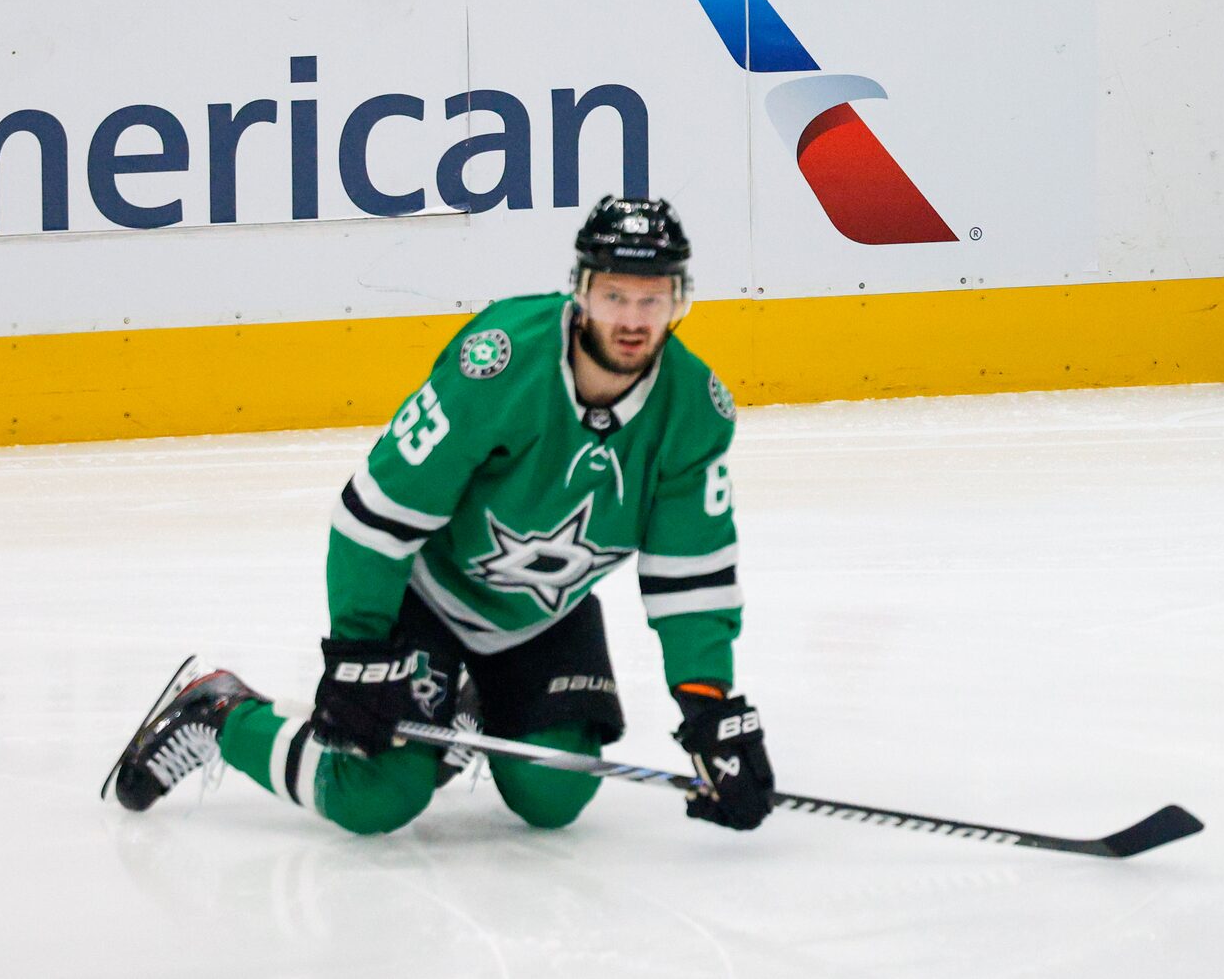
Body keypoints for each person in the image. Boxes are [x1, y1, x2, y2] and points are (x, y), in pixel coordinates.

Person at [105, 195, 777, 843]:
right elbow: (375, 515)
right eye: (615, 296)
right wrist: (358, 653)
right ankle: (221, 712)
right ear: (581, 292)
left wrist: (708, 707)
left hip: (545, 614)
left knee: (553, 796)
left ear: (679, 301)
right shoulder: (499, 362)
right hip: (426, 598)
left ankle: (470, 699)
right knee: (375, 797)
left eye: (652, 299)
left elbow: (691, 573)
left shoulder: (696, 409)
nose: (633, 320)